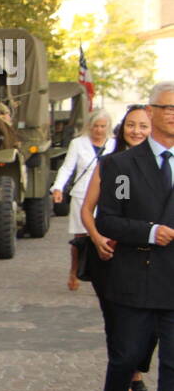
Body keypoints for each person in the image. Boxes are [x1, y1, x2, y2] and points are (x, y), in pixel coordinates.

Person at [94, 82, 174, 391]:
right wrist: (148, 231)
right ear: (152, 110)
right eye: (168, 107)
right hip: (135, 277)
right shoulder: (121, 166)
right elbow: (107, 218)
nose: (173, 114)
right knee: (126, 358)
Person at [81, 105, 154, 391]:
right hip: (110, 257)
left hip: (152, 261)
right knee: (118, 326)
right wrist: (97, 239)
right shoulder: (109, 164)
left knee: (151, 329)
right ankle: (122, 389)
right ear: (123, 128)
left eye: (144, 126)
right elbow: (88, 209)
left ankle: (136, 370)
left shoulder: (162, 167)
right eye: (132, 125)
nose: (137, 131)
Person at [52, 109, 114, 290]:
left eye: (103, 126)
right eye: (96, 126)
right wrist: (58, 187)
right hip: (82, 195)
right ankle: (74, 271)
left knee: (105, 238)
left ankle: (103, 276)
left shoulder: (114, 144)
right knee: (80, 238)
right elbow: (67, 168)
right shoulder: (78, 144)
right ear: (89, 126)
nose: (99, 130)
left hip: (107, 197)